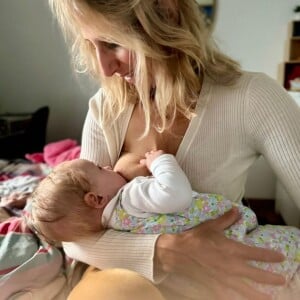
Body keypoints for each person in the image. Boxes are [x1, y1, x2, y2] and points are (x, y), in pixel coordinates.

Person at [47, 0, 300, 299]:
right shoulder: (106, 106)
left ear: (166, 12)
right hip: (120, 280)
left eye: (113, 43)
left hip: (212, 282)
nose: (105, 68)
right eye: (91, 45)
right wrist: (164, 251)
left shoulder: (252, 98)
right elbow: (74, 236)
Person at [30, 150, 300, 299]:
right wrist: (161, 162)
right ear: (96, 198)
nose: (107, 165)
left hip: (205, 271)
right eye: (99, 169)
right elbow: (176, 194)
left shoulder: (112, 223)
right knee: (287, 244)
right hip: (234, 236)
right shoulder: (130, 196)